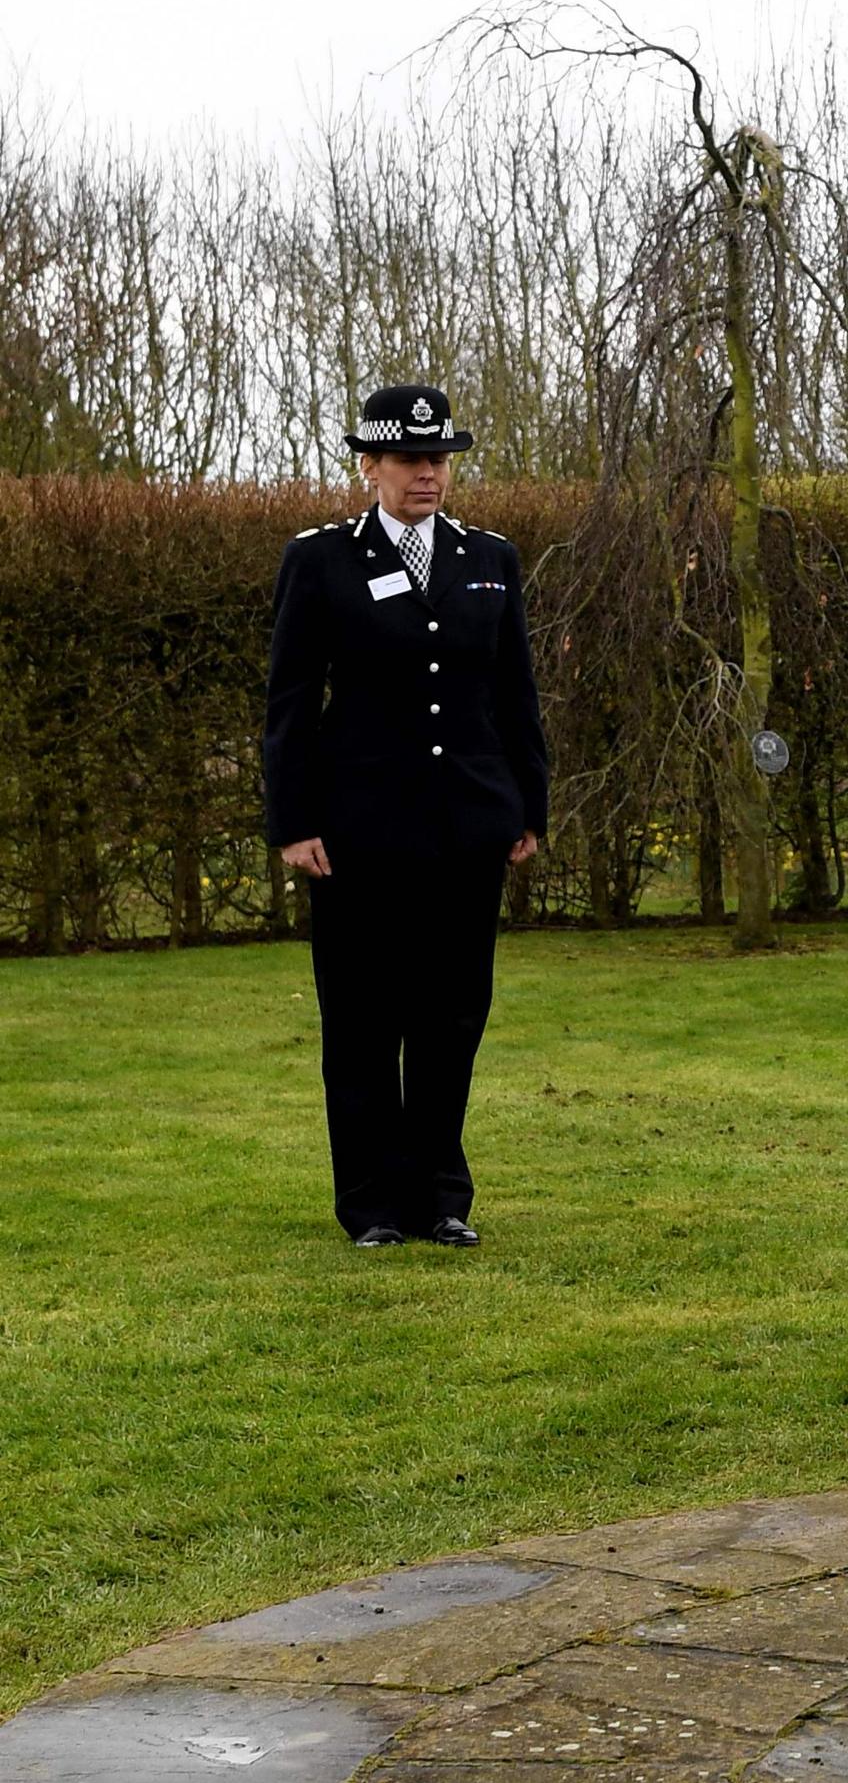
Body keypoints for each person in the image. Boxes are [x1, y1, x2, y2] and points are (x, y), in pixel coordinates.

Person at [264, 384, 547, 1249]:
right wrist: (293, 818)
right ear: (370, 467)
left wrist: (527, 805)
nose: (428, 474)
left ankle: (440, 1199)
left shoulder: (487, 556)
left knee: (452, 1017)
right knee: (360, 1019)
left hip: (467, 828)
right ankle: (373, 1205)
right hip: (357, 833)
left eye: (440, 460)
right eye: (411, 460)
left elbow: (514, 696)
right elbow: (290, 700)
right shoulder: (319, 562)